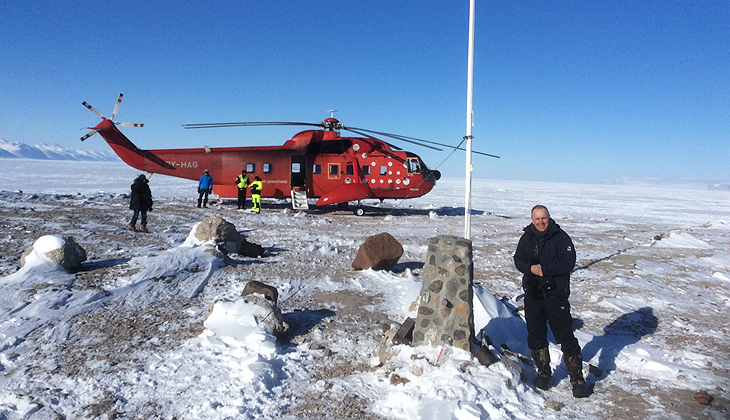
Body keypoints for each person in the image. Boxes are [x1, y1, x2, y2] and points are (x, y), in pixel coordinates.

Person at [513, 205, 589, 398]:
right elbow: (518, 260)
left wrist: (544, 269)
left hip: (556, 294)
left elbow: (568, 262)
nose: (541, 222)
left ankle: (577, 379)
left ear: (549, 218)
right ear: (532, 219)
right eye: (537, 219)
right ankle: (543, 373)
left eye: (544, 218)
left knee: (565, 336)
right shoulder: (527, 237)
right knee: (536, 335)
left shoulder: (560, 237)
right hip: (533, 294)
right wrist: (531, 268)